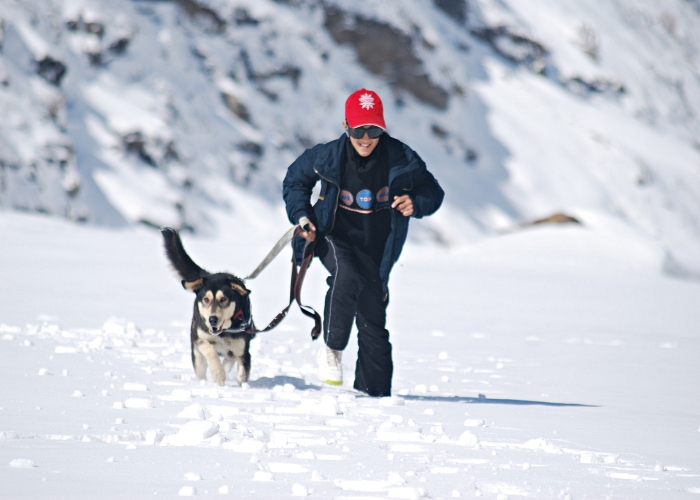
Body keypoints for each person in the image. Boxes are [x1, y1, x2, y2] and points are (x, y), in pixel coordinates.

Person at [282, 88, 444, 397]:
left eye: (374, 129)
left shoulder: (402, 158)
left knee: (374, 327)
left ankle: (374, 399)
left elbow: (433, 191)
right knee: (347, 273)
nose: (366, 137)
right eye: (359, 129)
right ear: (346, 126)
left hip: (377, 251)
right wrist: (302, 216)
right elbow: (295, 179)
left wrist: (416, 201)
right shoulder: (327, 156)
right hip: (332, 236)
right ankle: (331, 348)